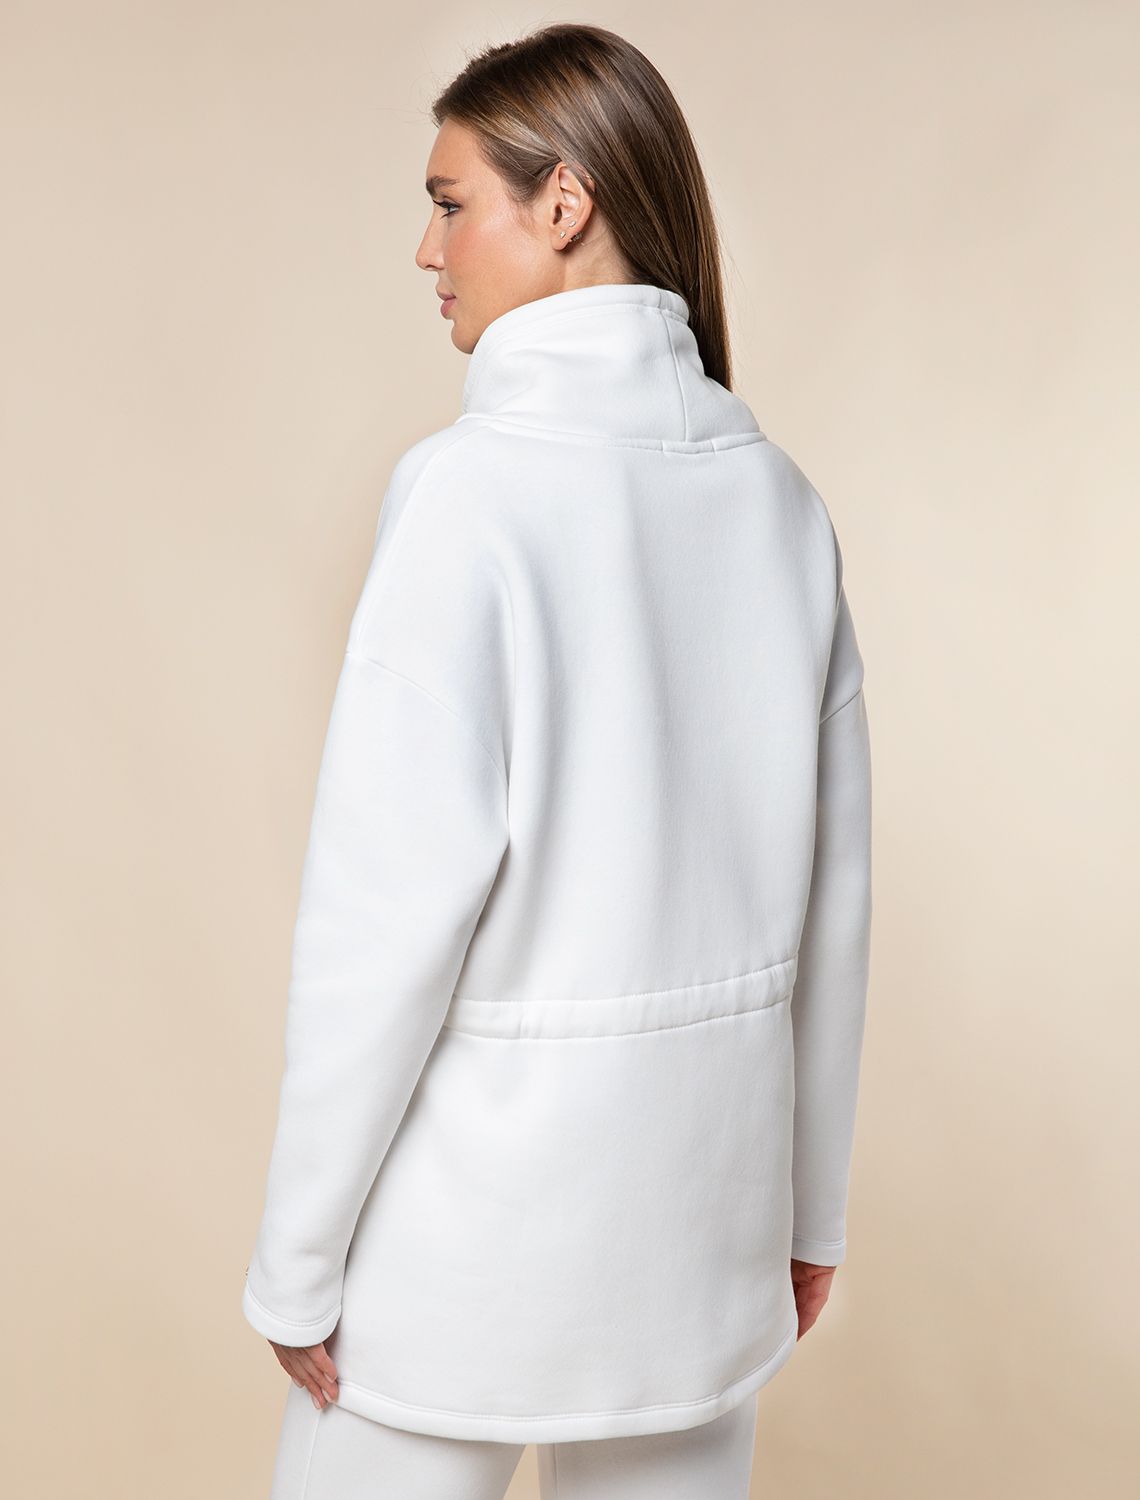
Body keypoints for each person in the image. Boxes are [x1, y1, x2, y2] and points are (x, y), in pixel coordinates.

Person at [241, 22, 873, 1500]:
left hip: (461, 1251)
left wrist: (298, 1260)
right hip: (699, 1246)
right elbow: (833, 906)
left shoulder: (466, 494)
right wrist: (805, 1216)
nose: (427, 248)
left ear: (566, 202)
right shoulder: (780, 503)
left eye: (451, 202)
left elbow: (383, 922)